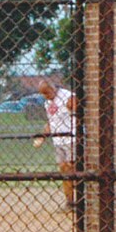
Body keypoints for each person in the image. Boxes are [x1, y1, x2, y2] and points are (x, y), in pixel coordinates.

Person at [36, 77, 78, 210]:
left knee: (72, 168)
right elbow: (51, 122)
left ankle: (80, 199)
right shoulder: (47, 103)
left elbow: (80, 115)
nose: (46, 97)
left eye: (47, 93)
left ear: (53, 89)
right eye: (43, 95)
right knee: (63, 170)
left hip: (71, 139)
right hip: (58, 141)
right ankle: (70, 201)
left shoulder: (68, 97)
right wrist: (42, 137)